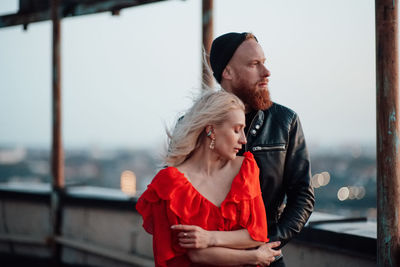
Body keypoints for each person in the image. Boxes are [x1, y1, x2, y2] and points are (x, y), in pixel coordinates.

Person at [136, 90, 281, 267]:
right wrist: (254, 257)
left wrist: (208, 237)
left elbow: (257, 234)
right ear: (211, 130)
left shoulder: (246, 169)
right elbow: (198, 255)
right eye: (236, 130)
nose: (243, 139)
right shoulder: (170, 184)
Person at [208, 32, 315, 267]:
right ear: (227, 72)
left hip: (266, 259)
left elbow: (303, 195)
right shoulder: (195, 126)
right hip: (210, 258)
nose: (266, 72)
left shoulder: (285, 121)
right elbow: (178, 192)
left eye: (264, 63)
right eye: (254, 64)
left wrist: (266, 242)